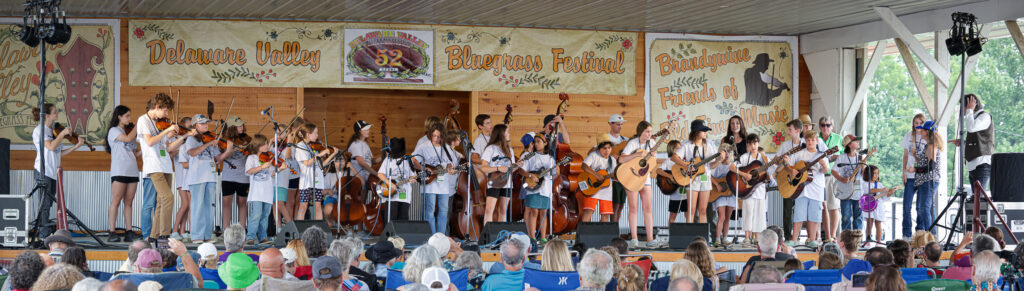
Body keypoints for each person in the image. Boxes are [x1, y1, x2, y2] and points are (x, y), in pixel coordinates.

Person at [137, 93, 190, 241]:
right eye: (166, 111)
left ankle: (153, 236)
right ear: (157, 107)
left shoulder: (160, 123)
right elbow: (149, 142)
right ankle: (164, 235)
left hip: (166, 165)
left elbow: (168, 148)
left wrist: (183, 137)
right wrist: (167, 131)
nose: (166, 115)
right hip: (154, 165)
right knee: (168, 198)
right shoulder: (143, 120)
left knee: (162, 202)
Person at [32, 103, 87, 239]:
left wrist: (77, 146)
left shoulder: (52, 131)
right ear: (47, 115)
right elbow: (50, 147)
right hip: (43, 171)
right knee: (44, 204)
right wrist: (62, 134)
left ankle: (46, 232)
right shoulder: (40, 130)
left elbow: (58, 153)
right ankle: (43, 235)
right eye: (55, 112)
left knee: (49, 203)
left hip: (53, 171)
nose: (57, 114)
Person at [182, 114, 233, 243]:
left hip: (210, 177)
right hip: (197, 177)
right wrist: (208, 144)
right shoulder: (192, 139)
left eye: (206, 123)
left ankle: (207, 235)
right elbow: (192, 153)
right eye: (202, 123)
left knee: (209, 207)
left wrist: (227, 151)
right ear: (195, 126)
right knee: (197, 206)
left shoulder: (210, 139)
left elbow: (216, 159)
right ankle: (196, 235)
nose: (205, 125)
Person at [620, 121, 664, 247]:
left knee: (648, 208)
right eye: (647, 131)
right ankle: (634, 238)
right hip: (631, 177)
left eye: (650, 131)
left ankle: (650, 239)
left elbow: (652, 164)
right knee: (633, 208)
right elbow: (622, 158)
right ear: (641, 132)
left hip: (646, 178)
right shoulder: (633, 143)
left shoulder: (652, 143)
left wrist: (653, 157)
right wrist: (637, 154)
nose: (650, 134)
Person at [785, 130, 830, 248]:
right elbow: (788, 165)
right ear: (805, 141)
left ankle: (812, 239)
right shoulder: (800, 153)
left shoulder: (822, 154)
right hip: (801, 188)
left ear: (817, 141)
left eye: (812, 140)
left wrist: (824, 165)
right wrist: (791, 170)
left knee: (814, 215)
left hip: (817, 188)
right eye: (808, 140)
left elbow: (825, 171)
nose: (810, 142)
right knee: (799, 214)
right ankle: (794, 239)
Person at [412, 125, 459, 233]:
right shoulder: (423, 146)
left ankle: (441, 237)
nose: (436, 139)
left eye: (439, 136)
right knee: (430, 211)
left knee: (443, 210)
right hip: (429, 183)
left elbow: (450, 164)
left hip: (443, 184)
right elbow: (413, 159)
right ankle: (431, 236)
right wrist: (424, 168)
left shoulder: (446, 147)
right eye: (434, 136)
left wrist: (451, 169)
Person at [675, 120, 720, 227]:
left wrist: (720, 160)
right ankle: (689, 235)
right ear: (696, 132)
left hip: (705, 177)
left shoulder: (709, 144)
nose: (706, 132)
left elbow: (711, 165)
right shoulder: (687, 144)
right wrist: (686, 164)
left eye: (706, 131)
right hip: (692, 178)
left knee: (703, 209)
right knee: (691, 208)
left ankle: (702, 237)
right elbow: (674, 157)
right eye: (703, 130)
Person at [106, 105, 141, 242]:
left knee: (129, 202)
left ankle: (129, 230)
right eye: (127, 116)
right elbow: (126, 140)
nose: (129, 119)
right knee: (116, 200)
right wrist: (138, 125)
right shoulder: (114, 131)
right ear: (119, 117)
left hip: (132, 170)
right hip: (119, 170)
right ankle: (112, 231)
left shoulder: (128, 132)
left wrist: (146, 146)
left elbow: (135, 154)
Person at [245, 134, 288, 244]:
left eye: (266, 144)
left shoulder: (268, 158)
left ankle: (262, 237)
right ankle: (250, 236)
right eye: (264, 144)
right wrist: (261, 167)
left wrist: (281, 169)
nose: (266, 146)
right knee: (256, 214)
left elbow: (271, 174)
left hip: (267, 192)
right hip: (257, 193)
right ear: (257, 145)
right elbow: (248, 171)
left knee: (264, 217)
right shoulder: (252, 158)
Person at [295, 123, 339, 220]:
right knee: (303, 206)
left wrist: (333, 154)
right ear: (308, 134)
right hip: (306, 180)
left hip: (317, 179)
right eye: (315, 133)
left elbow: (321, 165)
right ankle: (299, 229)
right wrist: (321, 154)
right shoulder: (300, 146)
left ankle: (319, 229)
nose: (317, 135)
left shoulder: (314, 147)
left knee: (318, 205)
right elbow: (307, 163)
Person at [520, 133, 557, 242]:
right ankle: (532, 237)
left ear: (545, 143)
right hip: (532, 187)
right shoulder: (530, 155)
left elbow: (555, 174)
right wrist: (531, 175)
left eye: (538, 142)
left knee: (543, 212)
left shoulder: (550, 158)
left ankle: (543, 237)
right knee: (534, 211)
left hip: (545, 188)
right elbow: (521, 170)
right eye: (535, 142)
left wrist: (557, 170)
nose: (536, 144)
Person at [480, 124, 520, 225]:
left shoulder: (509, 149)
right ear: (501, 134)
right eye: (507, 132)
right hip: (494, 182)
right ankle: (487, 235)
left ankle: (503, 235)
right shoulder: (490, 149)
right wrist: (498, 168)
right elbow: (483, 168)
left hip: (507, 183)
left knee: (503, 210)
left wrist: (516, 166)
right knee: (489, 210)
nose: (509, 134)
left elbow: (511, 169)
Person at [732, 134, 767, 245]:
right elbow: (732, 167)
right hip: (747, 190)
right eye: (751, 143)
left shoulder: (763, 158)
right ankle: (747, 237)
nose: (753, 146)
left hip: (760, 190)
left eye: (755, 143)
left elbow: (772, 171)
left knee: (759, 214)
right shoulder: (744, 157)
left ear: (758, 144)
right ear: (748, 145)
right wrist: (744, 174)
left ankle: (757, 237)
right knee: (748, 213)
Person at [911, 120, 944, 235]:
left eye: (923, 129)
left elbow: (931, 166)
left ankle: (930, 235)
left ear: (927, 132)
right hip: (924, 180)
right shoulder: (928, 146)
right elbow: (923, 162)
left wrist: (915, 170)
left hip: (928, 180)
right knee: (926, 208)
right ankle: (931, 234)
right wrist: (915, 155)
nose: (920, 131)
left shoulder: (931, 146)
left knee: (924, 208)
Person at [776, 119, 805, 244]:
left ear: (797, 131)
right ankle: (788, 237)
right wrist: (787, 167)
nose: (788, 132)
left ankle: (799, 236)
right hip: (788, 181)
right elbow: (777, 160)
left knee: (800, 209)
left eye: (790, 130)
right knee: (787, 210)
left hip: (802, 182)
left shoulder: (806, 144)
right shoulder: (785, 145)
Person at [959, 93, 993, 191]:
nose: (962, 110)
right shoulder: (973, 118)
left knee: (979, 199)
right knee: (975, 199)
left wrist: (969, 110)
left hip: (982, 163)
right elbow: (977, 140)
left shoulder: (985, 116)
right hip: (973, 165)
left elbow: (971, 128)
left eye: (963, 106)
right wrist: (964, 143)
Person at [900, 113, 926, 239]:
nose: (918, 125)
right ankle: (906, 234)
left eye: (920, 123)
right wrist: (904, 172)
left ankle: (920, 233)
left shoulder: (927, 136)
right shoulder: (909, 135)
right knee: (906, 206)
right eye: (916, 123)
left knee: (920, 207)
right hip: (910, 175)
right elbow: (905, 155)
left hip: (922, 175)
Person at [817, 116, 843, 242]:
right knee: (820, 206)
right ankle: (820, 236)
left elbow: (844, 156)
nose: (825, 127)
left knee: (833, 206)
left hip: (833, 175)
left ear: (832, 127)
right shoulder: (815, 139)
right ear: (819, 127)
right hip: (818, 175)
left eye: (828, 125)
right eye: (823, 125)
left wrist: (833, 157)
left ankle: (832, 236)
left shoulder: (838, 139)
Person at [378, 138, 416, 221]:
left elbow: (413, 176)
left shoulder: (408, 160)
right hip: (391, 195)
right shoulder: (388, 160)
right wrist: (390, 183)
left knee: (403, 219)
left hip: (405, 194)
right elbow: (380, 174)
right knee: (391, 218)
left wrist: (412, 179)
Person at [834, 135, 865, 232]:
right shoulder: (842, 157)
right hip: (845, 191)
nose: (858, 143)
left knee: (858, 217)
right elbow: (833, 171)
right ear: (850, 144)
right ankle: (846, 239)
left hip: (858, 191)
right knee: (846, 216)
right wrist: (842, 179)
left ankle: (857, 239)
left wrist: (863, 168)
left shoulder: (860, 157)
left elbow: (864, 176)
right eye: (856, 141)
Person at [581, 137, 616, 222]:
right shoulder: (593, 155)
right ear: (599, 148)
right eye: (604, 148)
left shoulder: (613, 160)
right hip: (591, 186)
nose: (607, 150)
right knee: (588, 211)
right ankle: (585, 234)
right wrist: (596, 175)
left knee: (605, 214)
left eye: (609, 148)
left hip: (606, 188)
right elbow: (584, 166)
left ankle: (603, 235)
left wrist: (619, 175)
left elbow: (614, 175)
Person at [170, 116, 194, 242]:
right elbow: (171, 153)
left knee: (188, 204)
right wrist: (181, 148)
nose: (190, 129)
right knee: (185, 204)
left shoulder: (191, 140)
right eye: (188, 127)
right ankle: (174, 229)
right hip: (181, 174)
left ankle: (183, 230)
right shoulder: (177, 139)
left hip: (188, 175)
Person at [281, 117, 306, 227]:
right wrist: (290, 141)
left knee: (298, 201)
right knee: (290, 201)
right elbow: (287, 155)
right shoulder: (289, 139)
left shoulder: (301, 141)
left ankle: (296, 224)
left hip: (301, 174)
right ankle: (289, 225)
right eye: (300, 129)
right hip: (291, 174)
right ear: (293, 128)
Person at [862, 165, 896, 246]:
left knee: (878, 223)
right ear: (868, 174)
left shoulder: (880, 184)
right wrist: (882, 189)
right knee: (869, 223)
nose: (876, 175)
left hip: (878, 206)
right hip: (869, 205)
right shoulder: (865, 183)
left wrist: (890, 193)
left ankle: (879, 241)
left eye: (877, 173)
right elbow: (869, 190)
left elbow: (884, 196)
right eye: (874, 173)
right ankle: (868, 240)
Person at [657, 140, 687, 228]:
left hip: (686, 194)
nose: (680, 150)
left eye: (680, 148)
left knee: (688, 215)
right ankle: (671, 237)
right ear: (671, 150)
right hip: (675, 195)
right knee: (672, 216)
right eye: (677, 148)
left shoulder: (685, 161)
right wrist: (670, 176)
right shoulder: (669, 161)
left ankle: (689, 235)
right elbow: (658, 170)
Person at [607, 114, 630, 223]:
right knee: (614, 206)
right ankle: (613, 230)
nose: (620, 127)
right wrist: (610, 154)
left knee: (621, 206)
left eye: (621, 125)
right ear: (610, 124)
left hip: (624, 178)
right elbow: (592, 153)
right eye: (617, 124)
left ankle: (616, 227)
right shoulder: (605, 139)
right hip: (612, 177)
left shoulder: (625, 140)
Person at [710, 149, 736, 246]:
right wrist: (717, 184)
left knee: (727, 218)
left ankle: (725, 238)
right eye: (725, 153)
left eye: (729, 153)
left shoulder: (734, 166)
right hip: (719, 194)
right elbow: (709, 175)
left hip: (731, 194)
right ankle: (717, 239)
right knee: (721, 217)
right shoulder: (717, 165)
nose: (727, 155)